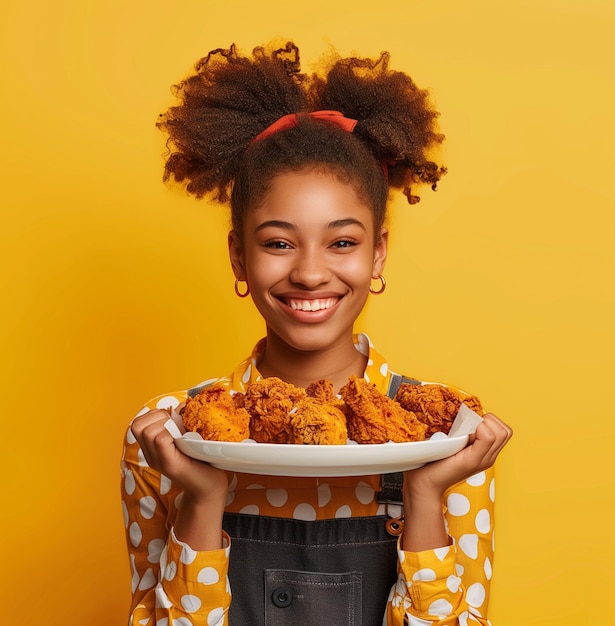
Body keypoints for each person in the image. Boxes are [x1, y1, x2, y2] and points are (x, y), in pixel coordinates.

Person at [121, 41, 513, 626]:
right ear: (238, 257)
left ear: (378, 255)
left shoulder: (445, 438)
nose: (308, 271)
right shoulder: (166, 435)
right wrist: (203, 500)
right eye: (278, 242)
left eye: (343, 242)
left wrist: (425, 495)